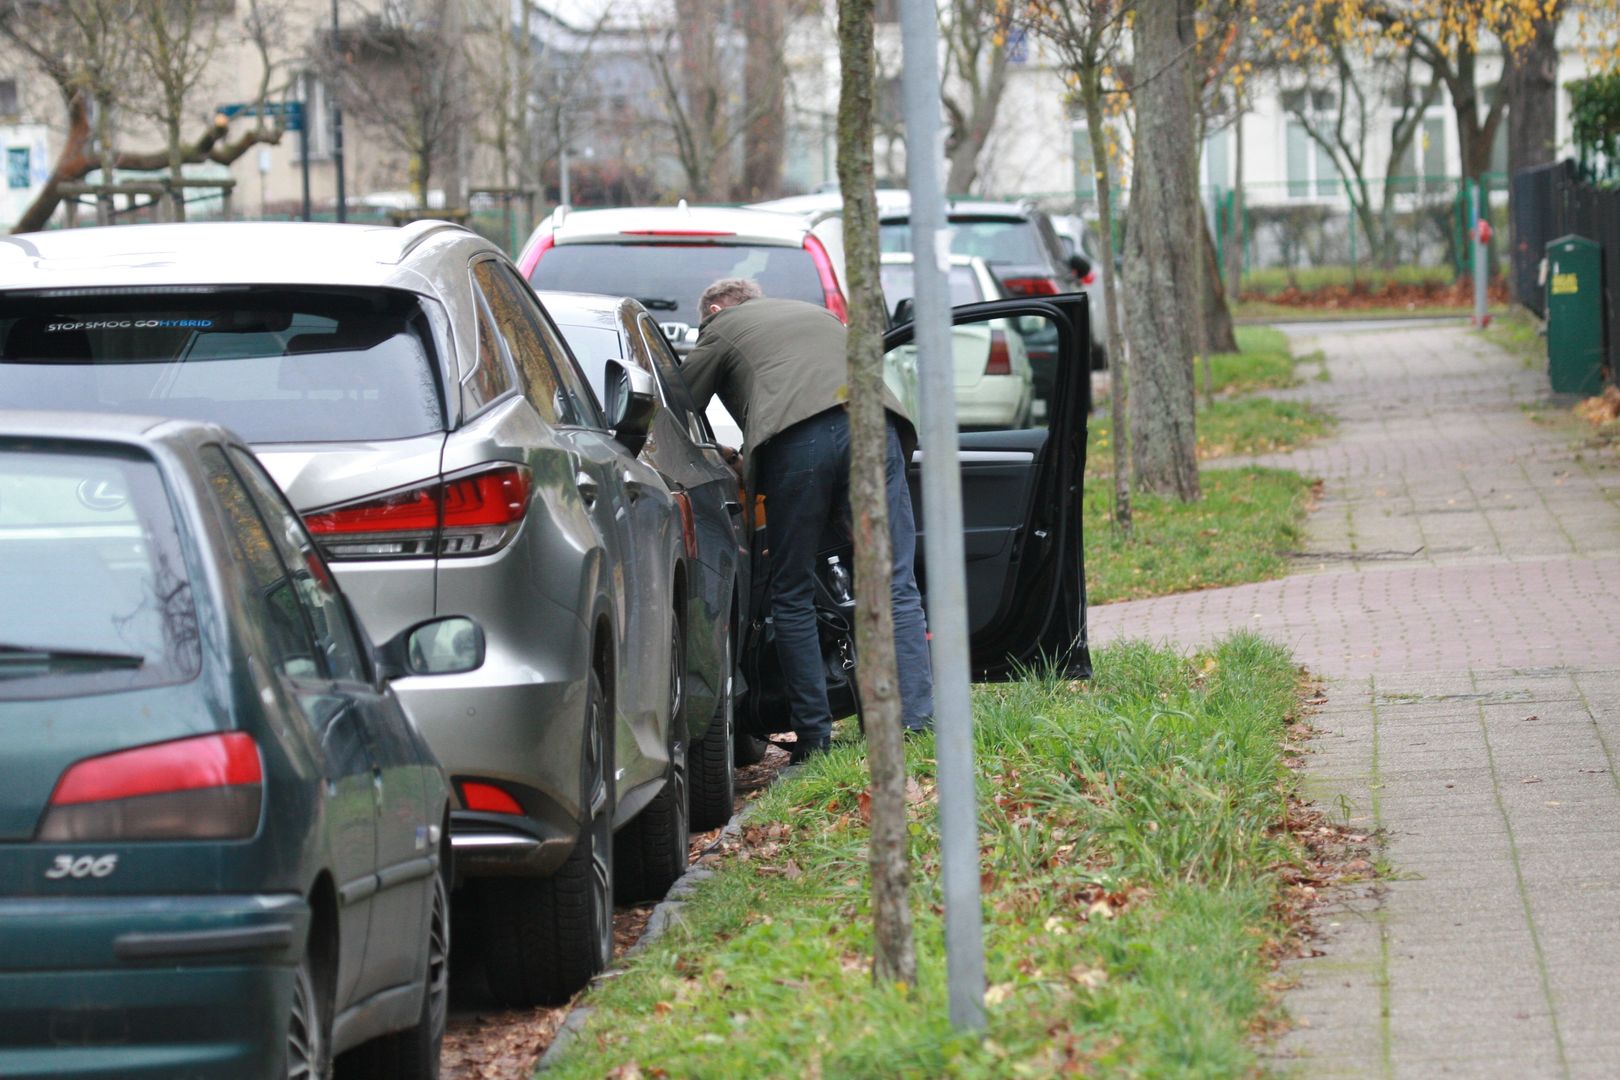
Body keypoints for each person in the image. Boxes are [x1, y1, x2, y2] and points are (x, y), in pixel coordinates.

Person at [680, 277, 933, 762]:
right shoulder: (812, 311)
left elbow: (681, 406)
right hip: (874, 423)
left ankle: (816, 741)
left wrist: (724, 455)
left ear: (713, 308)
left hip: (799, 441)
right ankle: (918, 722)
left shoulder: (720, 327)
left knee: (791, 591)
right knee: (895, 581)